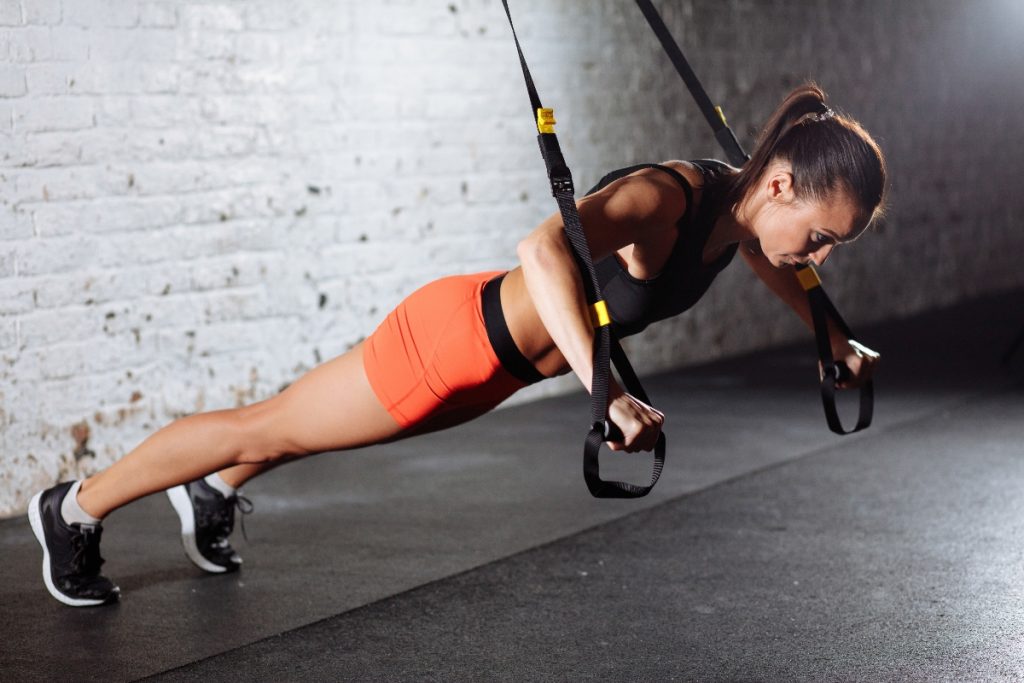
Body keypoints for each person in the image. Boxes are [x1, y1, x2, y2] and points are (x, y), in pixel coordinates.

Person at [28, 83, 886, 607]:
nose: (815, 256)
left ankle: (213, 491)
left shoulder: (737, 222)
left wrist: (833, 331)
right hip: (448, 342)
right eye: (821, 237)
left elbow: (770, 259)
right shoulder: (667, 197)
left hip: (491, 373)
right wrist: (606, 391)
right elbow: (541, 247)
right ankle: (72, 508)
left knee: (305, 428)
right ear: (780, 184)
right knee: (267, 424)